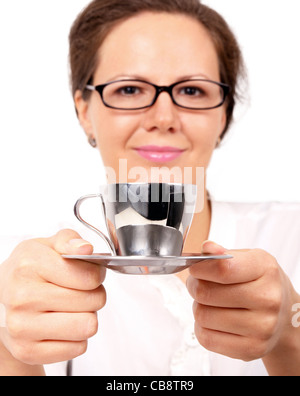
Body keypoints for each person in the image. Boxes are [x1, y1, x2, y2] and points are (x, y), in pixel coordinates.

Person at [0, 0, 300, 376]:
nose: (163, 118)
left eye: (192, 91)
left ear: (224, 115)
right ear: (83, 111)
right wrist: (7, 348)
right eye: (129, 90)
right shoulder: (15, 273)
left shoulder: (294, 238)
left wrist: (291, 331)